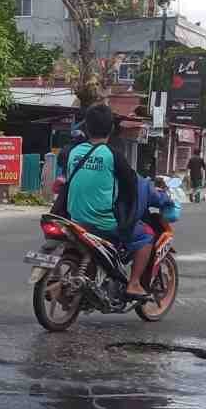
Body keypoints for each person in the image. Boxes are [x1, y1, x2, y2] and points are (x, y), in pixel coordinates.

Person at [60, 106, 146, 299]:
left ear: (87, 127)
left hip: (73, 218)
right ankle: (133, 284)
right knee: (145, 236)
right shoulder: (112, 155)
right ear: (111, 130)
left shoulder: (73, 152)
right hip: (103, 224)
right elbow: (131, 184)